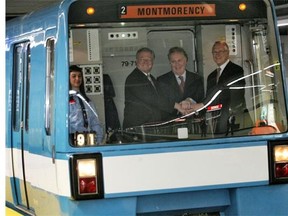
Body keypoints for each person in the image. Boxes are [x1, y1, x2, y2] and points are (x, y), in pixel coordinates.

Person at [189, 41, 247, 134]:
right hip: (216, 120)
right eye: (215, 52)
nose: (217, 54)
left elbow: (227, 93)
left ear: (227, 53)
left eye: (221, 51)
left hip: (234, 119)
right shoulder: (211, 76)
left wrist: (202, 105)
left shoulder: (236, 70)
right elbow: (209, 98)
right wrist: (199, 112)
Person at [123, 47, 186, 129]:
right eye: (142, 59)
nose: (146, 62)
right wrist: (176, 106)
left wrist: (176, 116)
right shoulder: (134, 79)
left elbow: (160, 101)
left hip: (150, 127)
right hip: (137, 128)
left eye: (149, 59)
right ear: (136, 62)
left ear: (152, 62)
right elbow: (152, 99)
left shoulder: (152, 79)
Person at [157, 47, 204, 120]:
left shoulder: (197, 79)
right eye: (173, 61)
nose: (177, 64)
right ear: (170, 63)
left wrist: (193, 108)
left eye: (179, 60)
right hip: (172, 125)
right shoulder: (162, 81)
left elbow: (203, 103)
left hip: (194, 124)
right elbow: (162, 106)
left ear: (186, 61)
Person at [69, 65, 104, 145]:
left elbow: (95, 122)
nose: (77, 79)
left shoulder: (87, 101)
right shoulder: (65, 101)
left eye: (79, 76)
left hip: (88, 140)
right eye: (74, 76)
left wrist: (98, 140)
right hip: (71, 141)